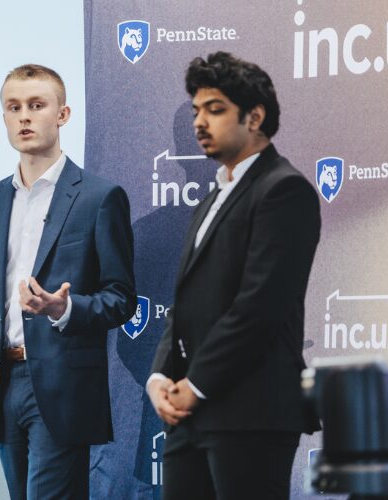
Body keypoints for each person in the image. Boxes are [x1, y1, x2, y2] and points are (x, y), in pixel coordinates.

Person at [147, 52, 321, 500]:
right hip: (190, 417)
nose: (200, 122)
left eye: (216, 109)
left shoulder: (285, 190)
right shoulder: (211, 199)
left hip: (252, 413)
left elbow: (259, 307)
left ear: (255, 117)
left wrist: (197, 385)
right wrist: (161, 376)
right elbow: (185, 304)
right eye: (196, 111)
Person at [0, 64, 136, 499]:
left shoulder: (99, 196)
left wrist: (64, 309)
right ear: (3, 118)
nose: (24, 116)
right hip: (3, 380)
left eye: (37, 105)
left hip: (63, 386)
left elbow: (121, 298)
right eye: (14, 107)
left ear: (63, 114)